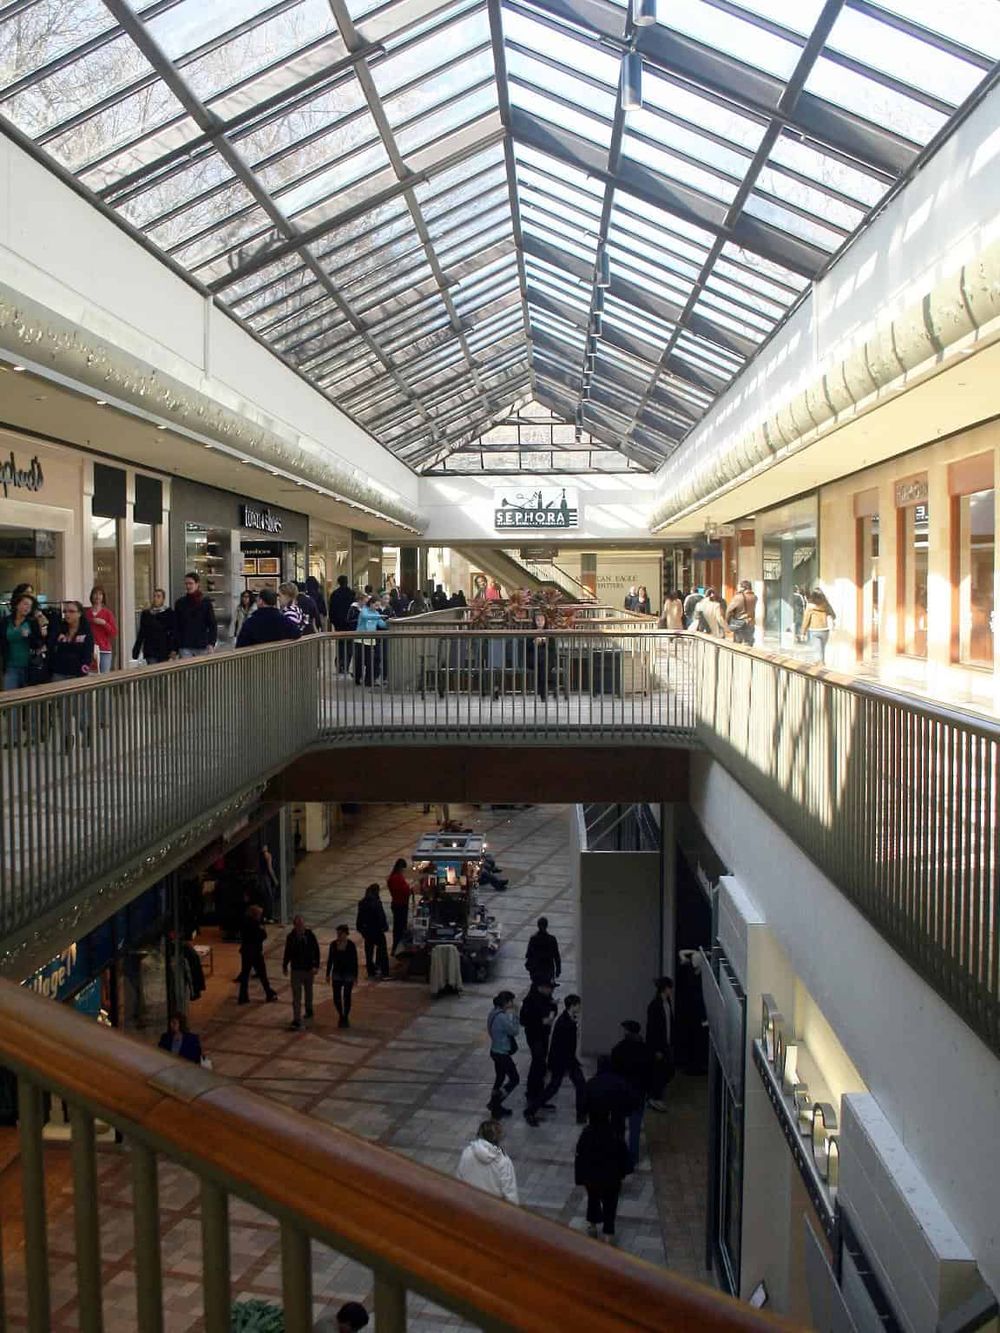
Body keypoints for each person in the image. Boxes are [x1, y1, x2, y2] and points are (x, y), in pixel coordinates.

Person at [575, 1111, 633, 1243]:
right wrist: (622, 1174)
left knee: (593, 1200)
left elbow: (580, 1157)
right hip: (611, 1178)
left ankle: (593, 1226)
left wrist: (581, 1178)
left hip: (592, 1178)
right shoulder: (614, 1134)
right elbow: (623, 1156)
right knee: (610, 1205)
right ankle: (608, 1232)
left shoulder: (587, 1134)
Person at [531, 994, 586, 1127]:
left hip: (565, 1061)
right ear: (572, 1005)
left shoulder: (567, 1019)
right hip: (563, 1061)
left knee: (574, 1086)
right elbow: (563, 1046)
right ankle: (531, 1110)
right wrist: (570, 1064)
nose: (580, 1006)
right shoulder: (566, 1023)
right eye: (578, 1004)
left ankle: (581, 1115)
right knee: (556, 1087)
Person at [611, 1019, 653, 1167]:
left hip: (622, 1093)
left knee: (619, 1126)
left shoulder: (618, 1049)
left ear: (627, 1032)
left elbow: (614, 1073)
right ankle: (633, 1157)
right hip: (638, 1093)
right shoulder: (645, 1050)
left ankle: (619, 1153)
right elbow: (649, 1073)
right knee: (635, 1128)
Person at [456, 1119, 519, 1204]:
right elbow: (510, 1193)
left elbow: (459, 1179)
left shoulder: (467, 1152)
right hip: (492, 1209)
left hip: (469, 1205)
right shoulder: (503, 1161)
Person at [519, 979, 556, 1119]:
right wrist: (542, 1021)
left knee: (541, 1064)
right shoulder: (530, 1001)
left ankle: (539, 1094)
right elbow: (524, 1020)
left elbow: (553, 1007)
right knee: (538, 1062)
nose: (551, 991)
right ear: (540, 987)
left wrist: (552, 1014)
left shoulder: (547, 998)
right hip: (535, 1036)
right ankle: (532, 1093)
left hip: (544, 1035)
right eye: (549, 988)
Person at [1, 589, 47, 692]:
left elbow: (39, 643)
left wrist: (29, 636)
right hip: (10, 665)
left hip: (29, 666)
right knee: (10, 697)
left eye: (30, 606)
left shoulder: (32, 622)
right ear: (17, 605)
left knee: (28, 698)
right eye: (25, 604)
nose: (27, 608)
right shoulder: (6, 621)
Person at [282, 915, 320, 1030]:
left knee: (309, 992)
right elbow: (287, 952)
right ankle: (296, 1018)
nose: (300, 927)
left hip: (308, 969)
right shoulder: (291, 937)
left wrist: (316, 965)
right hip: (296, 970)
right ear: (294, 926)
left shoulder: (309, 935)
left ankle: (309, 1010)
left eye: (301, 925)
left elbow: (316, 950)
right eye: (298, 925)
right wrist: (285, 965)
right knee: (296, 995)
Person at [487, 991, 520, 1118]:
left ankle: (495, 1106)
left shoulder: (493, 1013)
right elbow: (514, 1031)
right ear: (506, 1002)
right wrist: (515, 1015)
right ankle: (496, 1102)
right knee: (514, 1079)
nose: (513, 1004)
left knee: (500, 1078)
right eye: (511, 1001)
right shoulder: (502, 1017)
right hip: (502, 1053)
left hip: (494, 1050)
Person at [237, 904, 278, 1004]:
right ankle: (268, 993)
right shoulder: (256, 924)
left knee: (245, 974)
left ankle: (243, 996)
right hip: (255, 952)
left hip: (246, 952)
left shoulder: (245, 923)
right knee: (262, 974)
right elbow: (263, 936)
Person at [646, 976, 675, 1111]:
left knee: (666, 1071)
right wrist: (655, 1049)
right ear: (665, 989)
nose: (671, 991)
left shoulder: (667, 1003)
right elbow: (652, 1029)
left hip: (666, 1044)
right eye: (670, 988)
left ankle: (656, 1097)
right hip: (659, 1046)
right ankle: (655, 1098)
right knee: (659, 1072)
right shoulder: (655, 1006)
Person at [174, 572, 217, 657]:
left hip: (201, 645)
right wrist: (175, 647)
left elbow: (212, 624)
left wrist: (211, 643)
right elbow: (176, 626)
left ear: (197, 584)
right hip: (185, 645)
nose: (188, 586)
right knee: (187, 669)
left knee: (202, 669)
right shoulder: (180, 603)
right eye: (186, 584)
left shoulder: (205, 603)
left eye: (190, 583)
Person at [326, 924, 359, 1027]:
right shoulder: (333, 945)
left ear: (346, 934)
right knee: (336, 997)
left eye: (341, 934)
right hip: (337, 973)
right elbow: (330, 960)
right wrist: (327, 973)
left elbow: (354, 961)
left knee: (347, 996)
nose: (339, 936)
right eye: (338, 933)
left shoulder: (351, 945)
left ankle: (345, 1016)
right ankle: (341, 1015)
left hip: (348, 973)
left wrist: (355, 975)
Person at [132, 589, 177, 663]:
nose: (155, 599)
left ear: (163, 599)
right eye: (154, 596)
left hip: (164, 648)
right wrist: (136, 650)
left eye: (158, 596)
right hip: (150, 649)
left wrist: (174, 649)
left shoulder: (169, 613)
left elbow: (173, 632)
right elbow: (142, 632)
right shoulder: (146, 614)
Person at [356, 883, 390, 979]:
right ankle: (384, 971)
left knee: (369, 951)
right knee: (382, 950)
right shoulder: (376, 902)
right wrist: (384, 926)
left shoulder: (363, 902)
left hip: (367, 930)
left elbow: (359, 917)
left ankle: (371, 971)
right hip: (377, 930)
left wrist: (361, 929)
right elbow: (380, 916)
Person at [354, 597, 387, 686]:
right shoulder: (364, 611)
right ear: (371, 604)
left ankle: (369, 680)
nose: (377, 607)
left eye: (378, 606)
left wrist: (389, 622)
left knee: (370, 661)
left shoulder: (376, 613)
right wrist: (379, 616)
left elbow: (381, 624)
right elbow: (365, 617)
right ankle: (357, 677)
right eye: (376, 605)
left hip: (371, 640)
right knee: (360, 660)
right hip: (361, 639)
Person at [86, 585, 117, 673]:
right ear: (91, 596)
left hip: (104, 650)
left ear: (103, 597)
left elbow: (113, 632)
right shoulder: (87, 614)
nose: (97, 596)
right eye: (95, 594)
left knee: (104, 678)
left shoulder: (107, 613)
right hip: (90, 650)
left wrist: (104, 623)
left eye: (100, 594)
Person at [329, 574, 356, 673]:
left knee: (340, 644)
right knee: (349, 645)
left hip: (339, 624)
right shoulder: (352, 594)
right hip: (350, 624)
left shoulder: (335, 594)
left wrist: (333, 621)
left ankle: (339, 662)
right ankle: (346, 665)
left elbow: (331, 609)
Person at [802, 588, 836, 662]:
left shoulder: (810, 606)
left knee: (817, 653)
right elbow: (833, 615)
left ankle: (819, 669)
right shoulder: (826, 605)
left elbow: (806, 620)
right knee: (822, 651)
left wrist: (803, 632)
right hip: (825, 631)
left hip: (814, 630)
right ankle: (822, 666)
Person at [524, 917, 561, 985]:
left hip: (537, 969)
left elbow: (528, 954)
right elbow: (556, 956)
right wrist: (558, 970)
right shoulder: (552, 939)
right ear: (547, 925)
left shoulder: (533, 939)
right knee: (547, 988)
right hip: (548, 969)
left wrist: (530, 967)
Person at [527, 611, 554, 701]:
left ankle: (543, 691)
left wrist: (546, 642)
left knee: (544, 660)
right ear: (534, 621)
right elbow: (527, 647)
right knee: (543, 660)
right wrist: (534, 642)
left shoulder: (550, 632)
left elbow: (553, 648)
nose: (540, 622)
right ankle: (547, 686)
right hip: (533, 659)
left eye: (542, 620)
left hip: (546, 660)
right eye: (537, 620)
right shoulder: (530, 632)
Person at [387, 857, 411, 956]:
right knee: (400, 928)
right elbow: (404, 890)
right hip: (400, 905)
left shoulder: (392, 877)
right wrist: (409, 888)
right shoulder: (397, 878)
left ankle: (397, 947)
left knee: (398, 927)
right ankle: (398, 948)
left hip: (397, 904)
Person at [726, 580, 758, 646]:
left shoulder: (738, 597)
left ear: (743, 587)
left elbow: (729, 611)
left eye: (740, 587)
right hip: (750, 623)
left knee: (738, 644)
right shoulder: (754, 597)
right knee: (748, 643)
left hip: (740, 623)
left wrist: (727, 621)